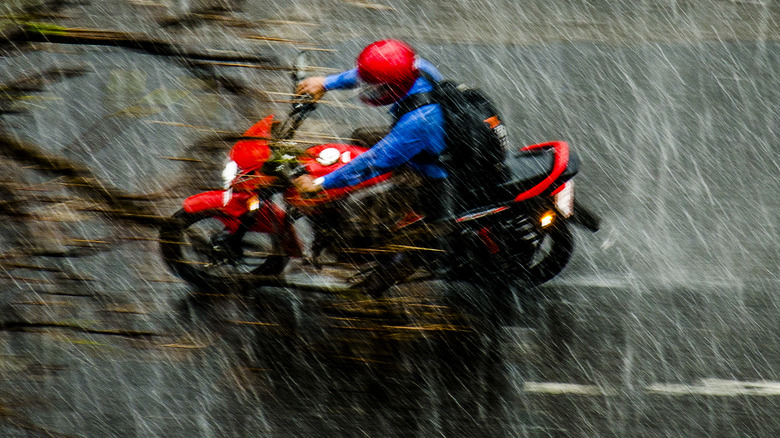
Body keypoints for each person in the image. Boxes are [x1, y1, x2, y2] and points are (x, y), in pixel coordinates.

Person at [292, 39, 449, 222]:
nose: (370, 89)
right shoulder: (416, 68)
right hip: (429, 143)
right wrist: (326, 83)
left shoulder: (419, 121)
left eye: (376, 87)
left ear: (393, 86)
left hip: (432, 175)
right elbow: (369, 75)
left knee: (358, 213)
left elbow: (376, 161)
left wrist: (321, 183)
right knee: (361, 137)